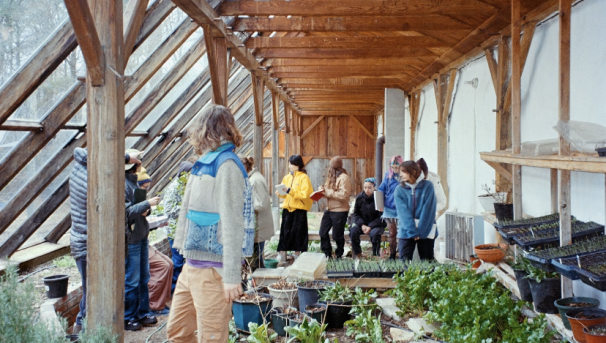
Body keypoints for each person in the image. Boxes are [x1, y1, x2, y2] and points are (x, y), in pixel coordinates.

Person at [167, 105, 255, 342]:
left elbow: (234, 223)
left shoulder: (227, 166)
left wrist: (231, 276)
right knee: (177, 332)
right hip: (192, 265)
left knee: (212, 337)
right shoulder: (205, 162)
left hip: (213, 271)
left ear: (206, 130)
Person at [68, 148, 141, 336]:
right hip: (87, 245)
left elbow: (102, 156)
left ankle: (82, 330)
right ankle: (83, 333)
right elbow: (114, 211)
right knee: (93, 293)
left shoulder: (83, 169)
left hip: (86, 242)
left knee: (91, 291)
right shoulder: (92, 177)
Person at [124, 148, 161, 331]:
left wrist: (148, 209)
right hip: (132, 239)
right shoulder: (122, 185)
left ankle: (143, 312)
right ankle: (128, 317)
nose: (141, 166)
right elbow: (126, 212)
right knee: (132, 279)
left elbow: (139, 210)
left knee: (144, 277)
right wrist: (147, 204)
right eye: (139, 163)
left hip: (141, 235)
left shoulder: (134, 184)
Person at [161, 156, 198, 293]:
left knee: (184, 260)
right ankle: (173, 290)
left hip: (185, 229)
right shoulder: (174, 188)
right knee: (177, 261)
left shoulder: (185, 186)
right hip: (175, 231)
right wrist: (187, 208)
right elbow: (169, 210)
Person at [394, 161, 437, 262]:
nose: (400, 174)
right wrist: (412, 232)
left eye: (403, 172)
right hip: (406, 231)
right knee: (403, 262)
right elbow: (403, 213)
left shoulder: (428, 186)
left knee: (427, 262)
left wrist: (421, 233)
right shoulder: (399, 190)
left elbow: (429, 211)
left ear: (413, 172)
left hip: (426, 230)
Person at [275, 155, 313, 264]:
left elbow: (305, 194)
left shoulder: (304, 178)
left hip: (299, 210)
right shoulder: (287, 177)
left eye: (292, 164)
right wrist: (280, 192)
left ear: (298, 165)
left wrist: (289, 190)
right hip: (287, 209)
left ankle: (297, 256)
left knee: (298, 233)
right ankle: (281, 256)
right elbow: (285, 195)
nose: (289, 166)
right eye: (289, 163)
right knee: (284, 233)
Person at [240, 156, 274, 270]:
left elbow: (260, 204)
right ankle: (259, 286)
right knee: (256, 260)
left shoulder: (255, 180)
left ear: (244, 167)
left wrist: (243, 206)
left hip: (258, 226)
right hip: (256, 225)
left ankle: (260, 286)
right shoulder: (253, 178)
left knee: (256, 262)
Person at [318, 156, 352, 259]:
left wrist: (327, 192)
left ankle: (339, 254)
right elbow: (328, 189)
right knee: (322, 232)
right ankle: (327, 254)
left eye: (331, 167)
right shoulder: (331, 176)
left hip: (340, 210)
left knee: (337, 235)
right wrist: (322, 189)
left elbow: (344, 195)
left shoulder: (344, 178)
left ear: (335, 167)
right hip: (329, 209)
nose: (330, 169)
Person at [350, 178, 386, 258]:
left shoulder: (378, 197)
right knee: (353, 231)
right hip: (363, 224)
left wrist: (370, 226)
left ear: (374, 187)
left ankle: (375, 255)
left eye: (369, 188)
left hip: (376, 225)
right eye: (365, 187)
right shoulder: (359, 198)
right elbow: (356, 214)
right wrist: (362, 225)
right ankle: (358, 254)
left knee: (375, 233)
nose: (367, 190)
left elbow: (381, 216)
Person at [377, 155, 404, 260]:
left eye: (397, 167)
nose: (394, 169)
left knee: (402, 232)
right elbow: (381, 189)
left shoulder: (405, 176)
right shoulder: (388, 176)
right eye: (393, 167)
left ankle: (402, 255)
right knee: (392, 233)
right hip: (389, 208)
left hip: (402, 208)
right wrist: (380, 205)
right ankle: (392, 255)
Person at [147, 245, 173, 315]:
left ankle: (161, 302)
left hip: (146, 245)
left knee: (170, 263)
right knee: (163, 266)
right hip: (135, 245)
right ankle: (153, 306)